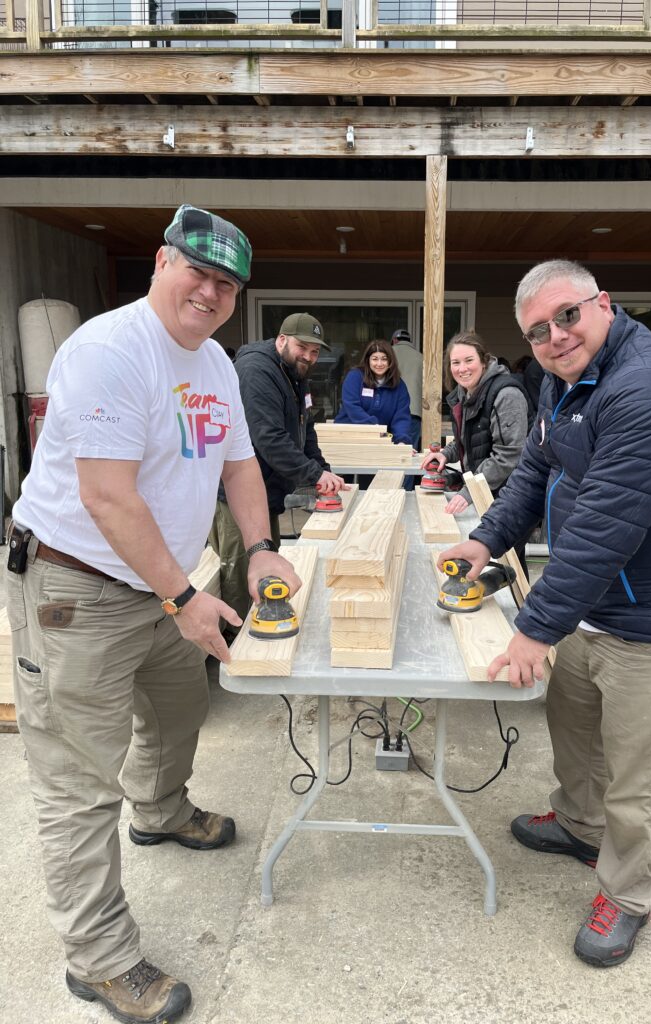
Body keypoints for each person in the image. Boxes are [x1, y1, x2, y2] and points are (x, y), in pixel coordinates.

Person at [6, 204, 301, 1024]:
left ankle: (164, 811)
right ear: (161, 266)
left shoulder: (212, 364)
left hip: (165, 582)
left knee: (177, 714)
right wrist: (183, 598)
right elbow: (105, 494)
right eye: (196, 272)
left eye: (226, 283)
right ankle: (98, 961)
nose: (208, 292)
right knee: (78, 782)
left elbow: (240, 465)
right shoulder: (108, 350)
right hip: (77, 592)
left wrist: (264, 548)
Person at [439, 260, 651, 968]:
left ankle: (628, 897)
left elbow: (605, 523)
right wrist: (486, 538)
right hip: (593, 604)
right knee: (574, 731)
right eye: (536, 330)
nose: (554, 337)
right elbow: (539, 470)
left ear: (603, 303)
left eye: (566, 315)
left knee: (638, 774)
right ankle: (577, 824)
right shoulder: (564, 381)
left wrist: (535, 628)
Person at [209, 312, 345, 620]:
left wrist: (322, 469)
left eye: (315, 351)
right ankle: (237, 641)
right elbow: (268, 437)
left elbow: (305, 426)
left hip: (267, 490)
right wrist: (313, 474)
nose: (309, 356)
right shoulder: (256, 372)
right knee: (242, 571)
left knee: (268, 562)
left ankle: (264, 619)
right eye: (303, 347)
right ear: (281, 340)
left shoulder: (296, 374)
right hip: (237, 496)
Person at [420, 330, 533, 575]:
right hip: (487, 489)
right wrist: (447, 455)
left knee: (508, 563)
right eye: (455, 362)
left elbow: (509, 455)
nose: (462, 368)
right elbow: (467, 439)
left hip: (514, 495)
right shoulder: (466, 393)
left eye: (469, 360)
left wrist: (468, 490)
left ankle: (520, 608)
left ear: (483, 360)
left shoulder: (506, 395)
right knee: (490, 562)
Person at [335, 338, 412, 444]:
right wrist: (374, 427)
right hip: (347, 438)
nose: (379, 364)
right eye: (375, 359)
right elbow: (352, 406)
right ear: (368, 360)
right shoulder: (355, 377)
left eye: (384, 359)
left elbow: (401, 417)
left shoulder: (399, 386)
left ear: (390, 361)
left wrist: (402, 441)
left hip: (379, 441)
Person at [391, 328, 423, 490]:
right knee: (410, 456)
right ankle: (407, 492)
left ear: (394, 340)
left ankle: (387, 492)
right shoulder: (421, 358)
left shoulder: (388, 355)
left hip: (390, 413)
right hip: (414, 412)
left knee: (388, 456)